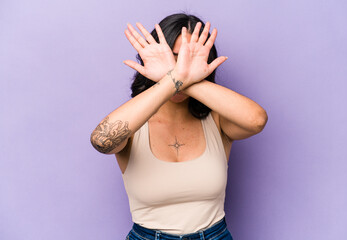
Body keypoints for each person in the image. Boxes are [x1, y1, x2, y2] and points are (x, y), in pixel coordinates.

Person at [90, 13, 268, 240]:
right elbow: (101, 140)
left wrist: (180, 79)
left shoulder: (218, 119)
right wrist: (174, 79)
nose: (180, 67)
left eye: (189, 60)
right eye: (173, 59)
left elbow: (257, 120)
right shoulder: (134, 121)